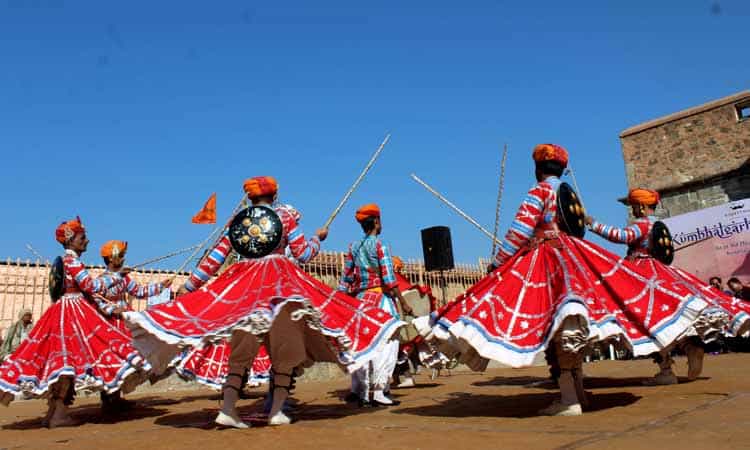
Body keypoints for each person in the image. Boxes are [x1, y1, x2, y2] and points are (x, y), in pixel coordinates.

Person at [416, 144, 711, 416]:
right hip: (573, 258)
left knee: (556, 326)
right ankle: (578, 392)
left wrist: (498, 263)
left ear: (537, 168)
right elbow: (576, 226)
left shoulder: (539, 193)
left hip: (547, 260)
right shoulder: (567, 193)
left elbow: (519, 231)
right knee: (571, 323)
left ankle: (570, 397)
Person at [125, 177, 403, 429]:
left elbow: (213, 259)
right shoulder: (284, 217)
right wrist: (317, 239)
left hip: (243, 288)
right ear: (275, 195)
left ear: (249, 198)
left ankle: (228, 407)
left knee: (241, 350)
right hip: (280, 286)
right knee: (285, 349)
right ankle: (277, 411)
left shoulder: (237, 221)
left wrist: (187, 287)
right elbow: (303, 254)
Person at [0, 217, 149, 428]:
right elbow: (90, 285)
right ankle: (59, 414)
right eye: (83, 237)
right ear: (71, 241)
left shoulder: (68, 261)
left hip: (67, 310)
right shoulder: (72, 261)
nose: (87, 241)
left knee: (65, 362)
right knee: (69, 362)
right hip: (73, 313)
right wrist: (116, 276)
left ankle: (55, 412)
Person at [586, 189, 741, 383]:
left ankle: (667, 369)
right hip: (661, 272)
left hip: (641, 274)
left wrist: (593, 224)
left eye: (634, 206)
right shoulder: (659, 224)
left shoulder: (641, 224)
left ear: (641, 207)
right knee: (667, 317)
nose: (633, 210)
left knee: (648, 321)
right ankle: (689, 348)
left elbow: (620, 236)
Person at [338, 204, 413, 407]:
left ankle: (359, 391)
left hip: (360, 302)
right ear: (377, 222)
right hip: (380, 302)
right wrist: (404, 302)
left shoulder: (353, 247)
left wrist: (340, 302)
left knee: (362, 345)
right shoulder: (381, 246)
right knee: (387, 344)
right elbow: (389, 279)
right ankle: (380, 392)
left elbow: (345, 279)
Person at [96, 240, 171, 413]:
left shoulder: (124, 278)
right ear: (111, 259)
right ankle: (108, 400)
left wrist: (160, 286)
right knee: (113, 361)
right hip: (110, 324)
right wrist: (113, 308)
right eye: (120, 256)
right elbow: (97, 300)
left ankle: (117, 397)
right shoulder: (102, 280)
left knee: (129, 359)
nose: (123, 259)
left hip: (126, 323)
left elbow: (139, 292)